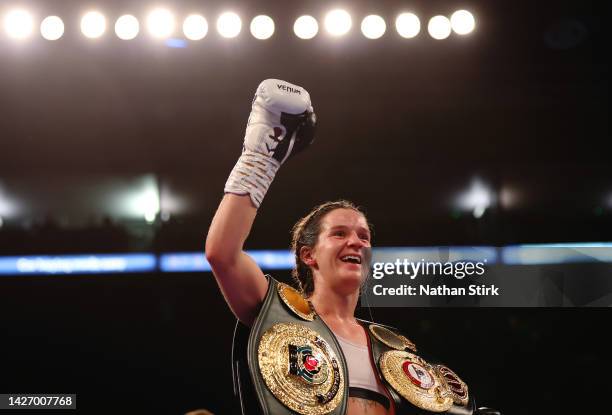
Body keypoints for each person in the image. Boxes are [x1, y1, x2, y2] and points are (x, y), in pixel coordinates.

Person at [206, 79, 499, 415]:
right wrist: (261, 159)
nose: (356, 242)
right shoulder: (277, 314)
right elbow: (222, 253)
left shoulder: (395, 351)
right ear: (308, 253)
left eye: (364, 236)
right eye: (340, 233)